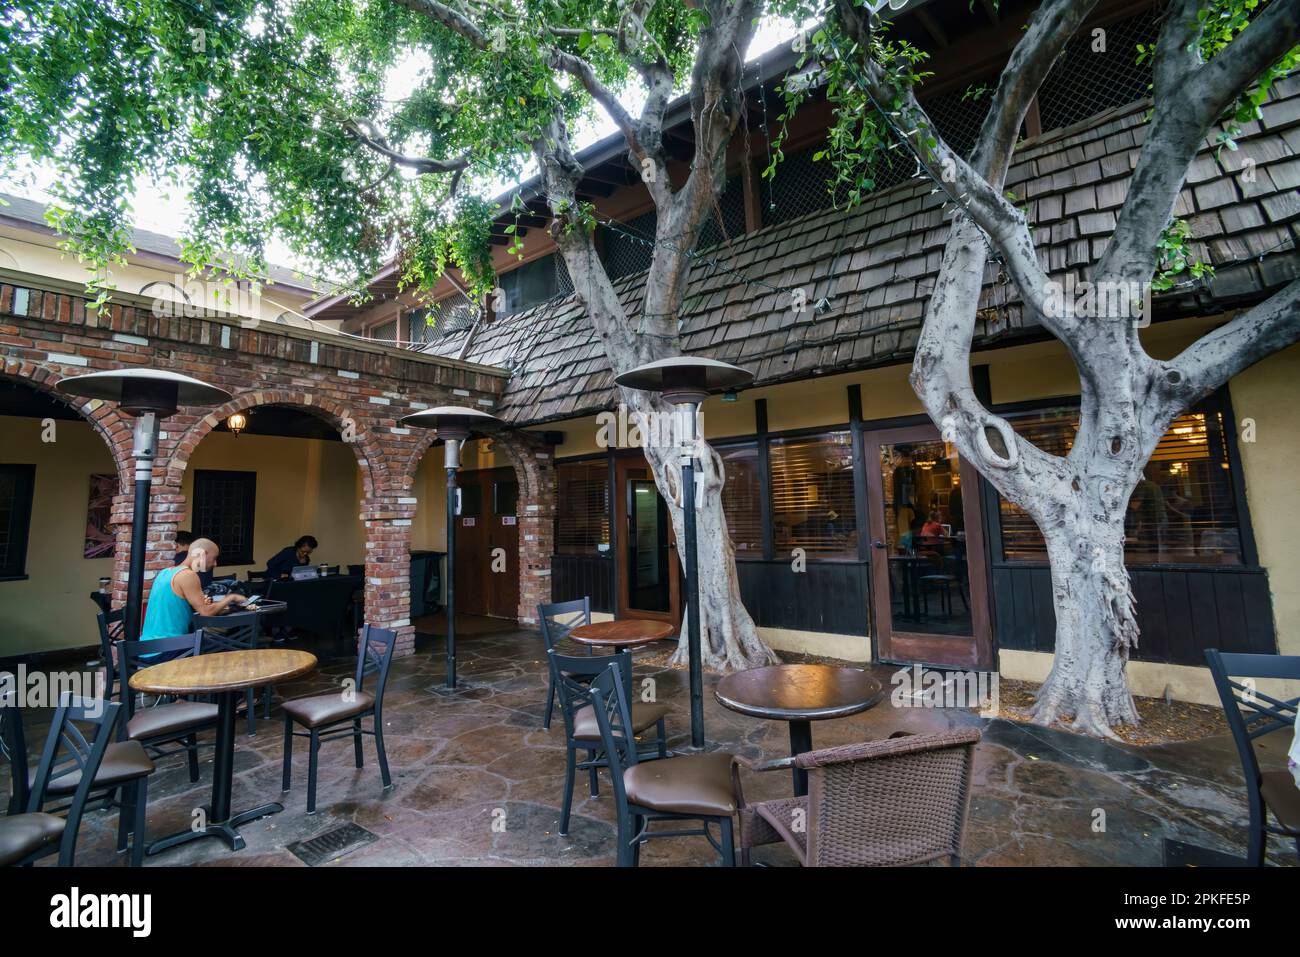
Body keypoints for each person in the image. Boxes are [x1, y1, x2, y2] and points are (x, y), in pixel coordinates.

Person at [140, 538, 246, 642]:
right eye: (214, 558)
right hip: (168, 648)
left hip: (148, 646)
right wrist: (232, 597)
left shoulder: (165, 572)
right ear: (202, 554)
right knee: (227, 645)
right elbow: (206, 612)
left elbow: (173, 606)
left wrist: (199, 602)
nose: (215, 564)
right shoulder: (188, 575)